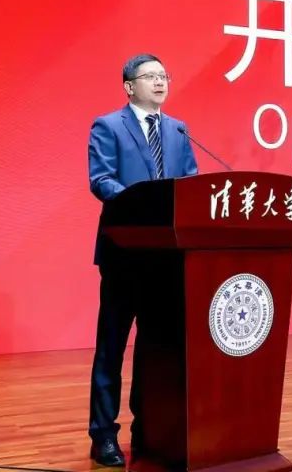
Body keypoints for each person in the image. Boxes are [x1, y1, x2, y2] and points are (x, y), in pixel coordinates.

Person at [86, 53, 198, 467]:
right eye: (151, 76)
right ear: (129, 86)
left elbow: (190, 183)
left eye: (164, 76)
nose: (160, 82)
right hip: (124, 254)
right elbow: (101, 180)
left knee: (154, 350)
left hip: (166, 260)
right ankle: (103, 435)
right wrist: (144, 204)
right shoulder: (108, 126)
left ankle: (147, 429)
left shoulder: (178, 130)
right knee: (111, 348)